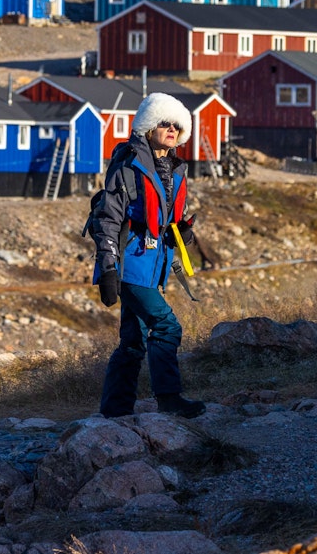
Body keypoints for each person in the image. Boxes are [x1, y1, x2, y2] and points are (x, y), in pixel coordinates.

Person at [91, 92, 206, 419]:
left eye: (177, 126)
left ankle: (115, 411)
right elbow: (107, 219)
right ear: (148, 126)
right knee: (167, 326)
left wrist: (183, 231)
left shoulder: (176, 169)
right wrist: (108, 270)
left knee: (133, 340)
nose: (171, 129)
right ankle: (169, 398)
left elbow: (171, 217)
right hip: (130, 265)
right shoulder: (128, 165)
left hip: (155, 267)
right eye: (164, 123)